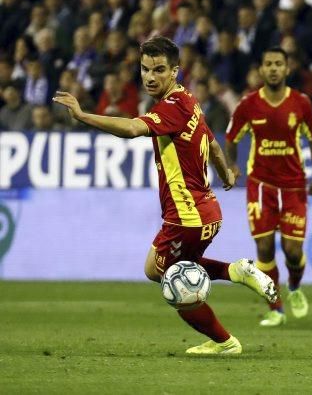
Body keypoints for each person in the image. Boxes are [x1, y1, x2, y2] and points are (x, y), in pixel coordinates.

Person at [53, 36, 277, 355]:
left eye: (159, 70)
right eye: (145, 70)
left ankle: (225, 342)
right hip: (204, 213)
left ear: (175, 72)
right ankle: (234, 270)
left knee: (173, 283)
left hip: (188, 217)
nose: (150, 77)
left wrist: (83, 116)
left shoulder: (172, 107)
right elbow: (212, 143)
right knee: (154, 268)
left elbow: (132, 129)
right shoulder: (188, 101)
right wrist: (226, 172)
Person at [225, 47, 312, 327]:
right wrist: (231, 167)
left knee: (293, 251)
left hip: (294, 186)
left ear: (287, 68)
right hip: (261, 185)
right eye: (268, 64)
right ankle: (275, 307)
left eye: (278, 64)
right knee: (265, 249)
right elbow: (231, 138)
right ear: (260, 69)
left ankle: (293, 287)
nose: (273, 68)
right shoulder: (248, 105)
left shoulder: (301, 103)